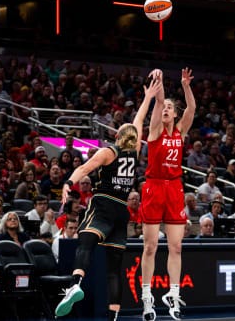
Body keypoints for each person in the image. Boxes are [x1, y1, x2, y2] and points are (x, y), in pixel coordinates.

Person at [55, 75, 160, 319]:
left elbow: (83, 169)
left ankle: (74, 286)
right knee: (114, 270)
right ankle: (113, 317)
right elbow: (139, 120)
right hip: (122, 211)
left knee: (85, 243)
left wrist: (68, 183)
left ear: (116, 136)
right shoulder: (134, 153)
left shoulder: (108, 152)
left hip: (103, 203)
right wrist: (147, 98)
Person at [140, 68, 196, 321]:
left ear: (175, 114)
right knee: (150, 247)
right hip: (153, 186)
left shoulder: (180, 132)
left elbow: (192, 109)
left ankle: (173, 296)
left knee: (176, 246)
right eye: (164, 107)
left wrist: (185, 86)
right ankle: (147, 298)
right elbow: (159, 100)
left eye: (170, 108)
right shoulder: (154, 130)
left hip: (174, 188)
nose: (165, 110)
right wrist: (159, 80)